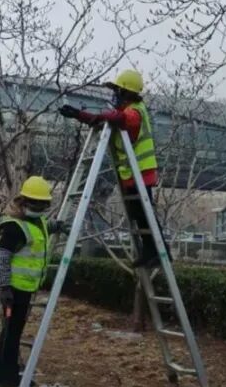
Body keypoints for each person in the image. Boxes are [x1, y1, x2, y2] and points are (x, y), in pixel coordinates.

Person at [59, 68, 165, 269]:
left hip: (141, 173)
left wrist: (98, 115)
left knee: (145, 216)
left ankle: (158, 252)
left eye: (116, 90)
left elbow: (118, 119)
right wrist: (78, 114)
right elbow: (103, 120)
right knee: (139, 216)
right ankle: (149, 252)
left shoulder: (134, 111)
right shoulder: (127, 111)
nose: (114, 95)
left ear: (126, 92)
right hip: (132, 174)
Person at [0, 176, 67, 387]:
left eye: (42, 205)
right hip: (14, 289)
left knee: (13, 331)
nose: (39, 209)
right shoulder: (13, 227)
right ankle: (5, 375)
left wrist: (56, 226)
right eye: (35, 204)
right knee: (11, 333)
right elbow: (2, 257)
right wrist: (4, 287)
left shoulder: (34, 221)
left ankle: (4, 373)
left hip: (26, 288)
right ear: (23, 201)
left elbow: (41, 231)